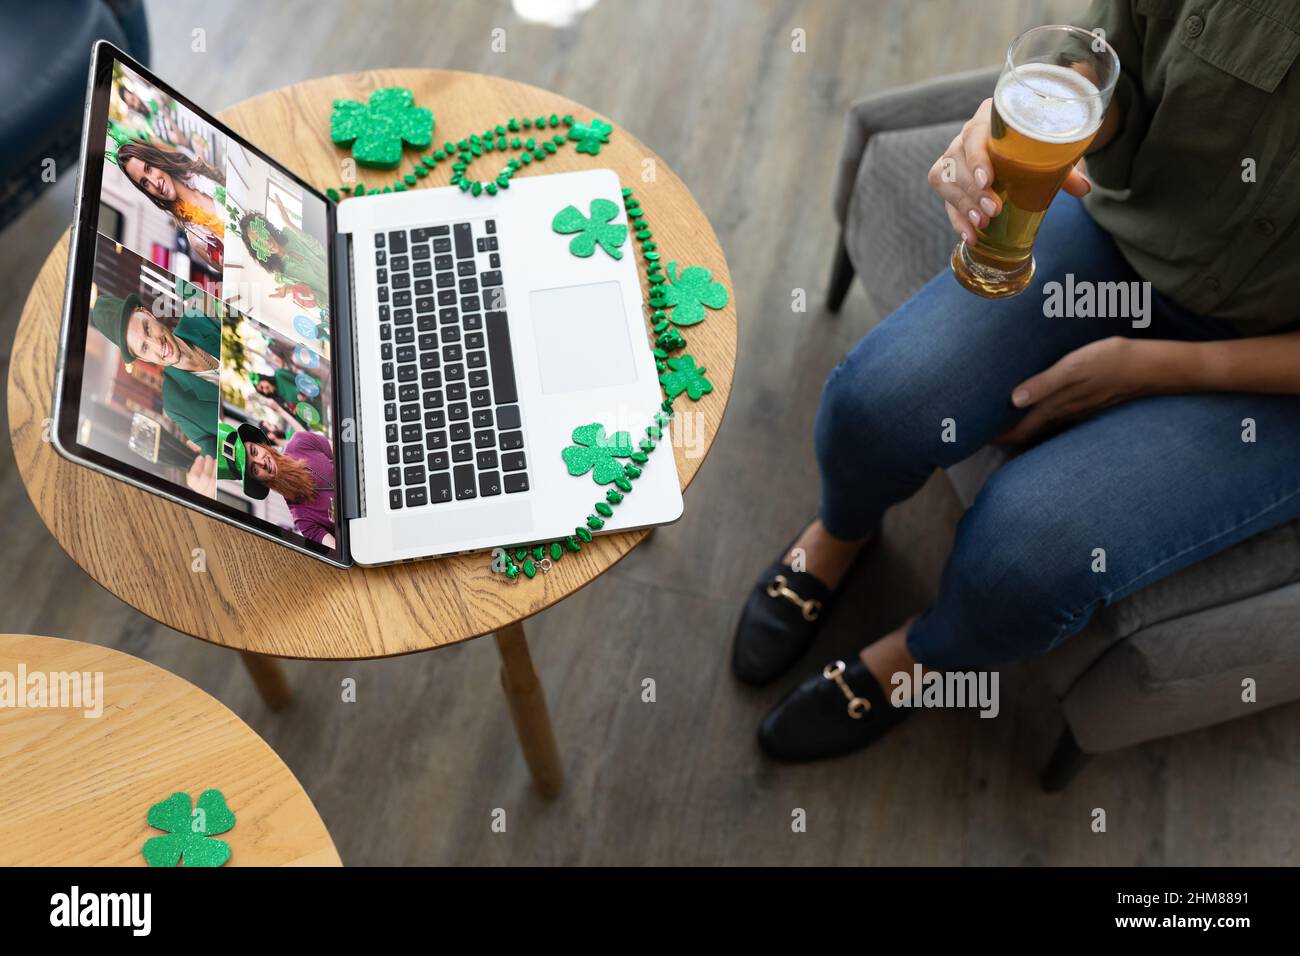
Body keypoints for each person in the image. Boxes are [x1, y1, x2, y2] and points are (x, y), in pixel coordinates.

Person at [732, 0, 1300, 762]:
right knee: (878, 404)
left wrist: (1153, 369)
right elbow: (1111, 71)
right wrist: (1023, 129)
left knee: (1024, 565)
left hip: (1279, 383)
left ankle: (924, 658)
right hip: (1134, 239)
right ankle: (840, 534)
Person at [90, 292, 221, 474]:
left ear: (148, 314)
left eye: (147, 328)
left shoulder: (197, 317)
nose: (157, 345)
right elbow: (213, 453)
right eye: (144, 347)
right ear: (140, 357)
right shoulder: (174, 402)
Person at [217, 422, 337, 548]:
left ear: (261, 445)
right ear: (258, 480)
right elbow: (337, 549)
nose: (261, 462)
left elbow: (346, 454)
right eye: (254, 469)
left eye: (254, 451)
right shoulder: (303, 519)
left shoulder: (301, 442)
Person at [115, 140, 225, 272]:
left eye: (149, 168)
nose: (155, 183)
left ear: (157, 159)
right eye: (145, 183)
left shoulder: (203, 174)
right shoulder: (197, 240)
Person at [237, 194, 330, 309]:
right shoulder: (283, 274)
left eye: (261, 232)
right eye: (257, 241)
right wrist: (291, 289)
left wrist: (288, 223)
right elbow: (322, 299)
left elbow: (321, 251)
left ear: (266, 228)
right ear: (256, 250)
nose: (265, 241)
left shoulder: (290, 235)